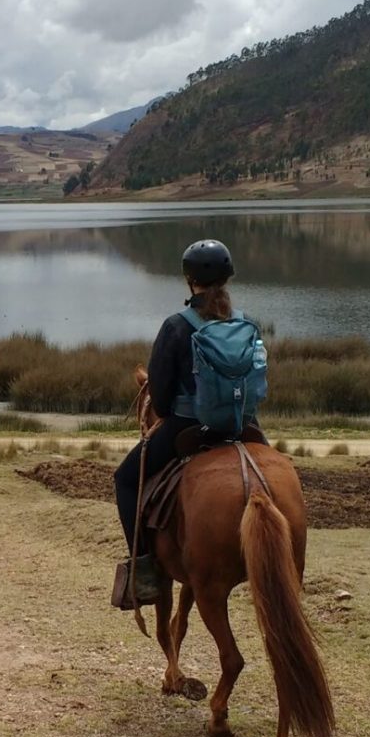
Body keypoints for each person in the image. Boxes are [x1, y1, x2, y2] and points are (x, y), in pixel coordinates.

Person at [113, 239, 260, 606]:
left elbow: (160, 401)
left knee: (125, 479)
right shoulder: (245, 323)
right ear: (227, 279)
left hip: (187, 426)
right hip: (242, 425)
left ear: (189, 280)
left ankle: (145, 569)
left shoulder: (176, 327)